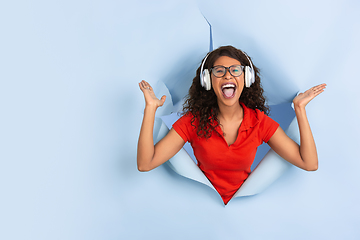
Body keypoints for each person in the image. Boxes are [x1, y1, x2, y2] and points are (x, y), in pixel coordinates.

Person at [137, 45, 326, 204]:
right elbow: (146, 163)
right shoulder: (193, 121)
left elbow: (309, 163)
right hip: (200, 206)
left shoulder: (259, 122)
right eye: (219, 71)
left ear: (247, 77)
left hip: (244, 208)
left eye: (235, 70)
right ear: (208, 80)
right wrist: (150, 109)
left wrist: (299, 109)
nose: (228, 76)